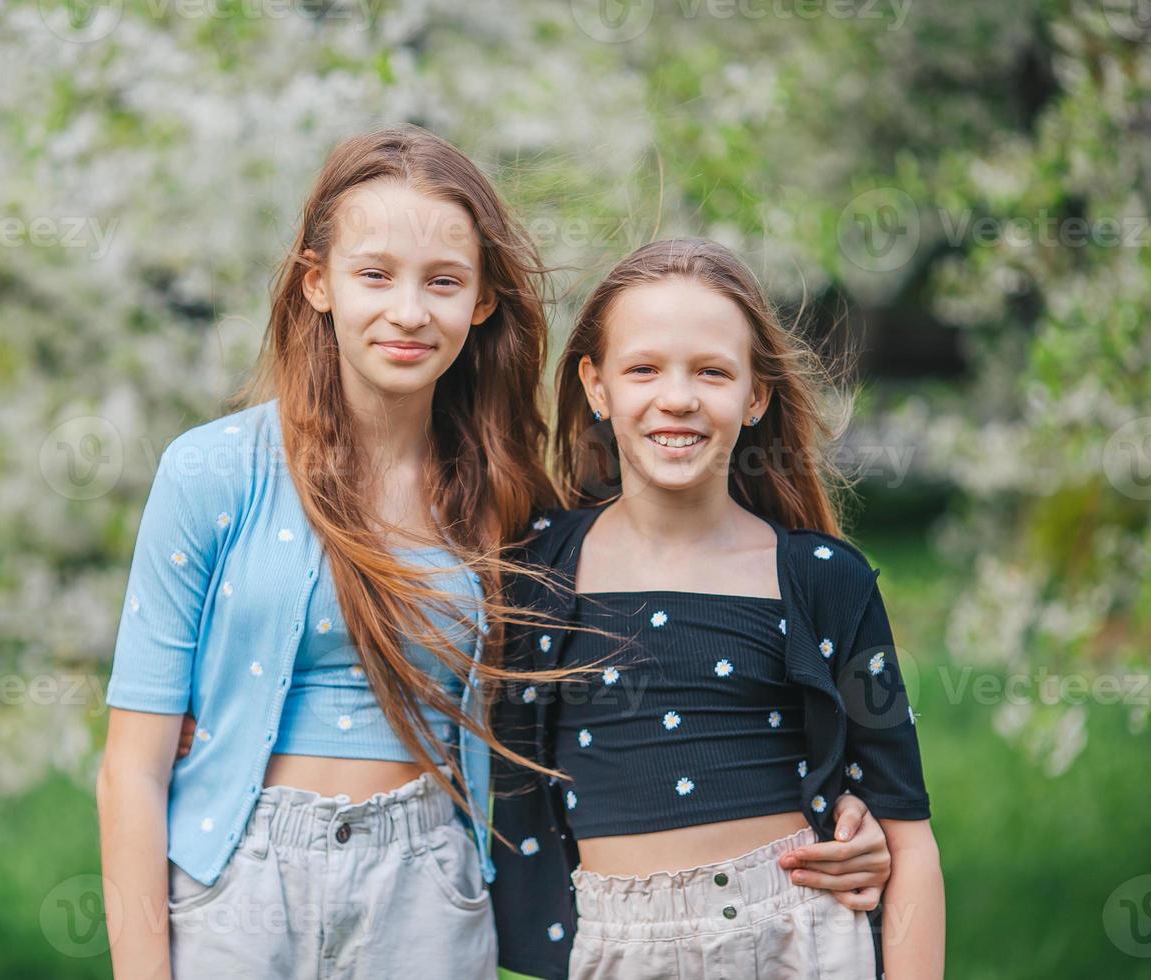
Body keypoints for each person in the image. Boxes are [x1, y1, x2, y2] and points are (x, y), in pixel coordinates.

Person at [98, 127, 897, 980]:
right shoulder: (214, 471)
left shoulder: (509, 500)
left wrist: (833, 814)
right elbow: (133, 774)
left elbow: (645, 666)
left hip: (430, 887)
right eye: (373, 275)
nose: (409, 312)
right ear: (316, 283)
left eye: (443, 282)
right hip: (237, 883)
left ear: (481, 303)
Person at [491, 238, 945, 980]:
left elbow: (909, 838)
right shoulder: (534, 570)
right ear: (596, 385)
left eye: (712, 371)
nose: (678, 398)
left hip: (797, 938)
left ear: (756, 395)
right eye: (643, 369)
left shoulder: (824, 580)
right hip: (615, 945)